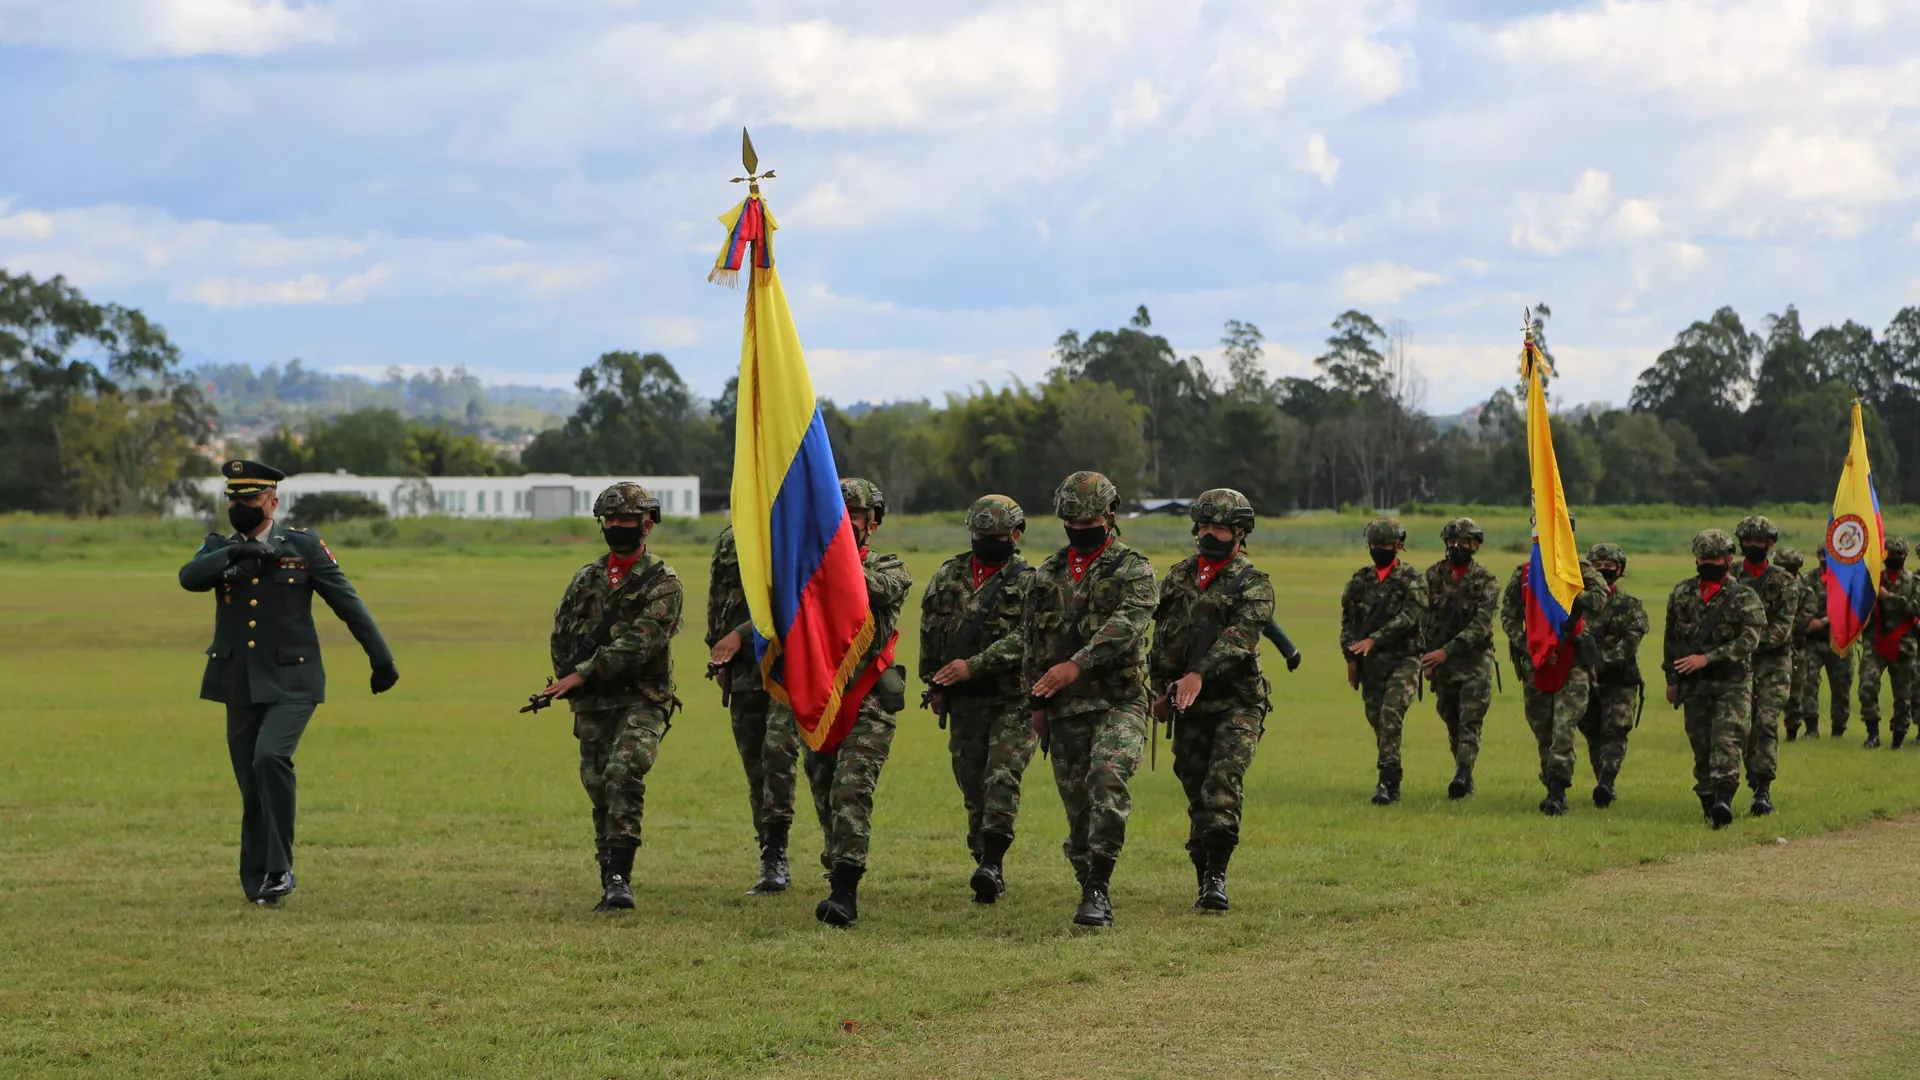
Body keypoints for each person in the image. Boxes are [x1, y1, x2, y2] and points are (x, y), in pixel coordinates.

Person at [178, 459, 398, 905]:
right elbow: (189, 578)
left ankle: (280, 868)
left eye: (251, 498)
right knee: (250, 782)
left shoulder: (303, 546)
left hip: (294, 679)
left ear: (272, 502)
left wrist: (381, 659)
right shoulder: (217, 548)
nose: (240, 505)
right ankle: (258, 880)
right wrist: (233, 554)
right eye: (234, 499)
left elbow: (348, 603)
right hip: (238, 680)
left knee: (269, 758)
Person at [536, 482, 682, 912]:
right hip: (594, 701)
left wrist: (581, 674)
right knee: (598, 787)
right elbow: (561, 633)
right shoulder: (586, 578)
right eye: (611, 520)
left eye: (627, 520)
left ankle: (621, 879)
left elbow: (644, 641)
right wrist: (567, 679)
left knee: (623, 772)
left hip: (643, 697)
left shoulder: (664, 583)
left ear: (647, 525)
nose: (617, 527)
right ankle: (608, 879)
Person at [1024, 471, 1156, 928]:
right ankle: (1088, 880)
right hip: (1064, 709)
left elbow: (1125, 628)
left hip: (1120, 701)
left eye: (1089, 520)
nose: (1080, 529)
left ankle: (1098, 888)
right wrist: (1037, 704)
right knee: (1078, 808)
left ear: (1110, 516)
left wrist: (1075, 666)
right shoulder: (1045, 575)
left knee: (1106, 777)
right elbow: (1031, 646)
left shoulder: (1134, 570)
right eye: (1071, 522)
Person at [1148, 489, 1273, 912]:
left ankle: (1217, 879)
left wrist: (1199, 673)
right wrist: (1160, 687)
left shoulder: (1253, 583)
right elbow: (1162, 638)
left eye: (1219, 527)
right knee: (1196, 790)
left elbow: (1242, 638)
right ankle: (1203, 875)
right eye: (1203, 526)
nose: (1208, 534)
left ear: (1240, 532)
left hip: (1237, 702)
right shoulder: (1178, 576)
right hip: (1188, 706)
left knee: (1222, 784)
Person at [919, 494, 1036, 904]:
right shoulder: (948, 575)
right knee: (973, 788)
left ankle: (993, 863)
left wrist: (977, 664)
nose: (986, 541)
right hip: (964, 703)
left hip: (1013, 701)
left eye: (996, 535)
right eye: (979, 534)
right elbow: (931, 630)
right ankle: (983, 861)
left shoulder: (1030, 581)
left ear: (1015, 535)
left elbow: (1030, 638)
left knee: (1001, 776)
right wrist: (934, 684)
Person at [806, 479, 913, 928]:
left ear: (872, 522)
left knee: (851, 790)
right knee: (824, 791)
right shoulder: (807, 569)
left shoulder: (890, 569)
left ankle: (844, 895)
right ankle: (838, 868)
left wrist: (833, 558)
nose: (842, 527)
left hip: (868, 698)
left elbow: (874, 592)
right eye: (834, 520)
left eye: (850, 519)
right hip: (818, 697)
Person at [706, 525, 799, 895]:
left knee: (778, 752)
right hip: (743, 669)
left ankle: (782, 853)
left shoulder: (797, 521)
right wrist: (716, 653)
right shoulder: (732, 535)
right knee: (756, 767)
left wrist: (739, 635)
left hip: (790, 664)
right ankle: (770, 854)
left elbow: (793, 596)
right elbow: (718, 599)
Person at [1499, 534, 1609, 815]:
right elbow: (1509, 614)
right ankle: (1550, 780)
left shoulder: (1581, 570)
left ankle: (1557, 792)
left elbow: (1598, 598)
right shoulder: (1525, 573)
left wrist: (1567, 587)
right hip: (1536, 663)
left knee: (1564, 727)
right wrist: (1531, 646)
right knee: (1543, 730)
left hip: (1572, 661)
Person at [1663, 529, 1766, 828]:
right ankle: (1709, 799)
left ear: (1729, 559)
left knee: (1728, 739)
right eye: (1703, 557)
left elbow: (1750, 639)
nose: (1708, 562)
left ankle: (1724, 798)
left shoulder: (1744, 596)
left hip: (1732, 682)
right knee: (1701, 745)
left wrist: (1709, 658)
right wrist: (1672, 679)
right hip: (1694, 684)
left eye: (1715, 558)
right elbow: (1671, 639)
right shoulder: (1681, 594)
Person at [1341, 518, 1427, 806]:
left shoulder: (1412, 579)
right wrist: (1350, 656)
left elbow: (1408, 618)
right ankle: (1394, 775)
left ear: (1398, 546)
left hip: (1404, 660)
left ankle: (1386, 782)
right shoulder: (1359, 580)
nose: (1379, 550)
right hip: (1371, 665)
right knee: (1378, 721)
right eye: (1374, 546)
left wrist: (1374, 639)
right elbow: (1348, 621)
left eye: (1385, 546)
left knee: (1391, 715)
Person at [1419, 517, 1498, 800]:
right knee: (1452, 720)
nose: (1455, 547)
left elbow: (1481, 625)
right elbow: (1423, 620)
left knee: (1469, 721)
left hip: (1475, 662)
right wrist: (1426, 658)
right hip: (1442, 665)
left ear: (1475, 545)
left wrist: (1446, 651)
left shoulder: (1485, 581)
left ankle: (1462, 775)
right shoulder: (1432, 577)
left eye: (1462, 542)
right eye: (1451, 542)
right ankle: (1463, 771)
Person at [1732, 516, 1797, 815]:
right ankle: (1734, 783)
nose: (1754, 545)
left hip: (1774, 663)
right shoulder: (1729, 576)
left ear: (1771, 544)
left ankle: (1762, 788)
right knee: (1740, 726)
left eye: (1760, 541)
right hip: (1736, 665)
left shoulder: (1785, 581)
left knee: (1766, 722)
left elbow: (1782, 628)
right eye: (1748, 541)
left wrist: (1743, 642)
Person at [1580, 543, 1649, 807]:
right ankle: (1602, 779)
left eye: (1609, 567)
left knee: (1616, 729)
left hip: (1620, 679)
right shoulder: (1579, 604)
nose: (1603, 571)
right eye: (1597, 567)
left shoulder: (1631, 606)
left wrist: (1600, 663)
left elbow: (1629, 645)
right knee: (1593, 731)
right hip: (1586, 681)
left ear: (1619, 571)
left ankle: (1607, 781)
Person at [1855, 535, 1920, 750]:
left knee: (1904, 696)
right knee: (1867, 686)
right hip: (1876, 643)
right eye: (1890, 555)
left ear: (1905, 556)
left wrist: (1888, 597)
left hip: (1904, 645)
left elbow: (1915, 608)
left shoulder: (1914, 582)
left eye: (1899, 555)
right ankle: (1872, 733)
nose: (1894, 558)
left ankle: (1898, 739)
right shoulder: (1874, 581)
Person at [1798, 547, 1852, 739]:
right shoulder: (1807, 579)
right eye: (1825, 555)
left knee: (1841, 686)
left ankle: (1838, 730)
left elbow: (1851, 606)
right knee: (1808, 683)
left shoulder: (1846, 579)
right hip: (1813, 642)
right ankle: (1811, 728)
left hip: (1839, 640)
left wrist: (1823, 621)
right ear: (1819, 556)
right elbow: (1800, 604)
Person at [1773, 547, 1809, 741]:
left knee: (1794, 693)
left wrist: (1781, 627)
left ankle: (1792, 732)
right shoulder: (1768, 587)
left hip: (1795, 648)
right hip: (1771, 649)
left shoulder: (1805, 590)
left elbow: (1804, 620)